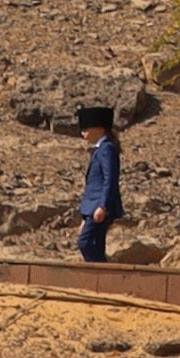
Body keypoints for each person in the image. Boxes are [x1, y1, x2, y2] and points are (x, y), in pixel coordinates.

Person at [72, 104, 125, 264]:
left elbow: (110, 179)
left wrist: (102, 206)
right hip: (93, 207)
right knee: (96, 244)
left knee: (85, 242)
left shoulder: (107, 149)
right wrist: (85, 216)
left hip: (99, 206)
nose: (83, 133)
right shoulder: (100, 149)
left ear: (99, 129)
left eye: (87, 128)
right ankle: (103, 274)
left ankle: (103, 275)